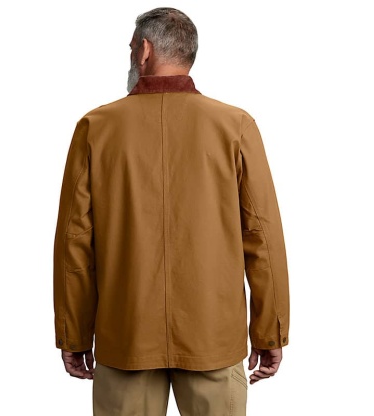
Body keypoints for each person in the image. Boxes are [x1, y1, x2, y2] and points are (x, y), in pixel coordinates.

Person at [53, 7, 290, 416]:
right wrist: (269, 329)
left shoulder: (96, 127)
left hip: (126, 335)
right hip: (212, 337)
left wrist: (74, 333)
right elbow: (262, 237)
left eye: (131, 47)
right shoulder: (235, 125)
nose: (130, 55)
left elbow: (75, 242)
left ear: (144, 51)